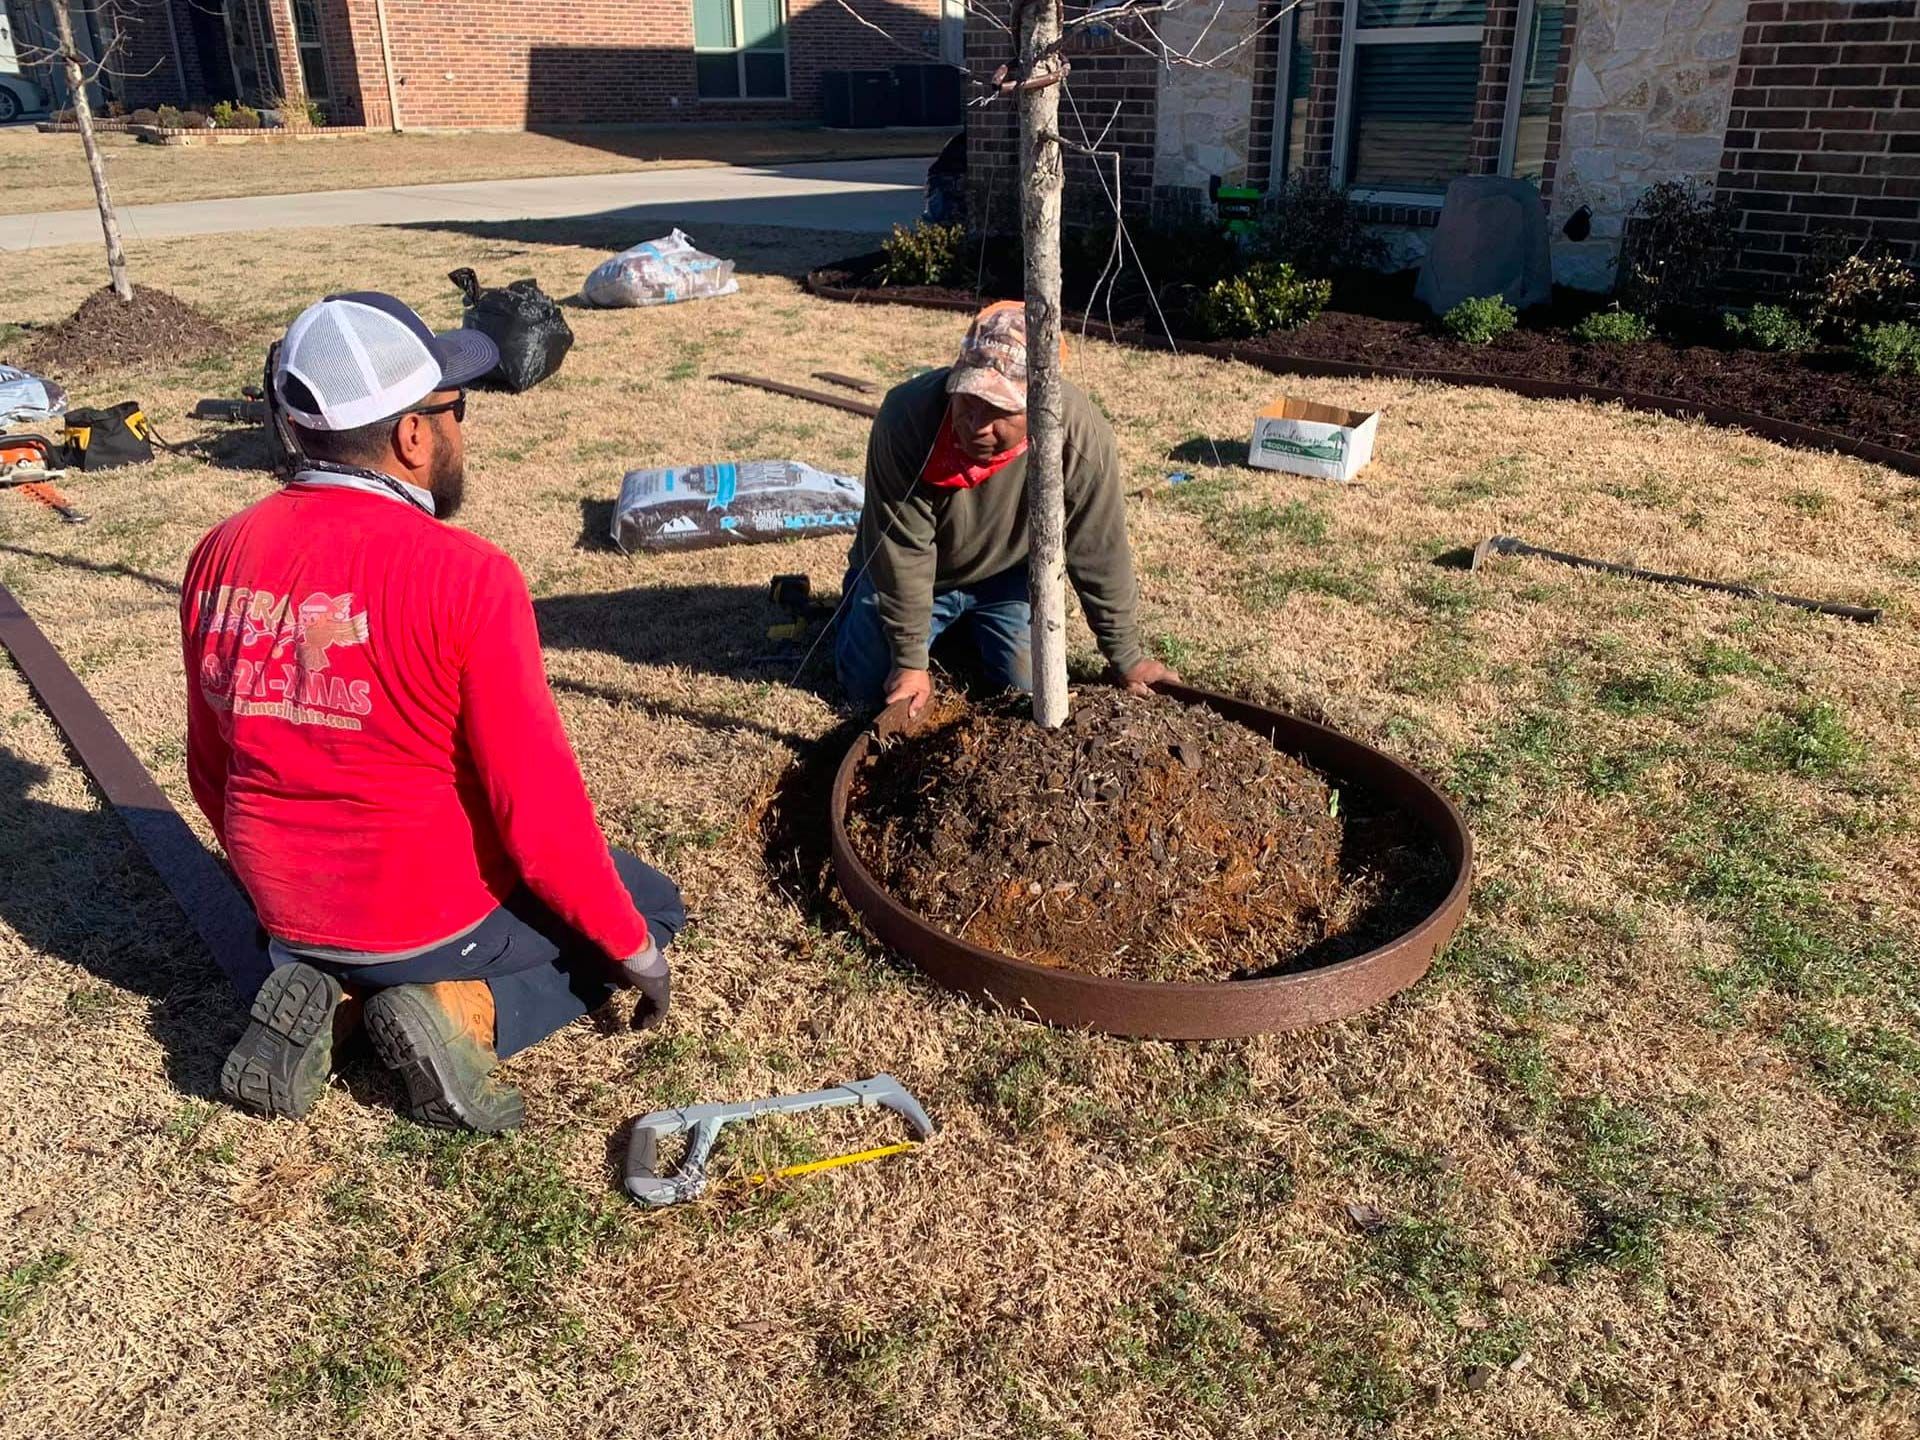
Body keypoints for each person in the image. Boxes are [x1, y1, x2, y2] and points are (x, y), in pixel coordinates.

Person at [182, 292, 684, 1133]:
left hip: (281, 914)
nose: (460, 430)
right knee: (650, 898)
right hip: (425, 922)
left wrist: (284, 893)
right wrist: (636, 951)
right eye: (456, 408)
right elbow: (539, 817)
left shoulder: (218, 551)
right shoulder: (467, 574)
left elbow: (211, 766)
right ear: (414, 435)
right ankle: (460, 1013)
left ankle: (332, 1001)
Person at [835, 301, 1178, 715]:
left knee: (1030, 692)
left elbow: (1098, 549)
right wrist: (909, 661)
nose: (977, 424)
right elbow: (902, 550)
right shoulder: (908, 417)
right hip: (913, 573)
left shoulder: (1079, 438)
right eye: (969, 400)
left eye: (998, 411)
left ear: (1038, 406)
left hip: (1004, 579)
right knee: (867, 691)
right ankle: (872, 609)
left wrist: (1126, 656)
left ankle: (960, 631)